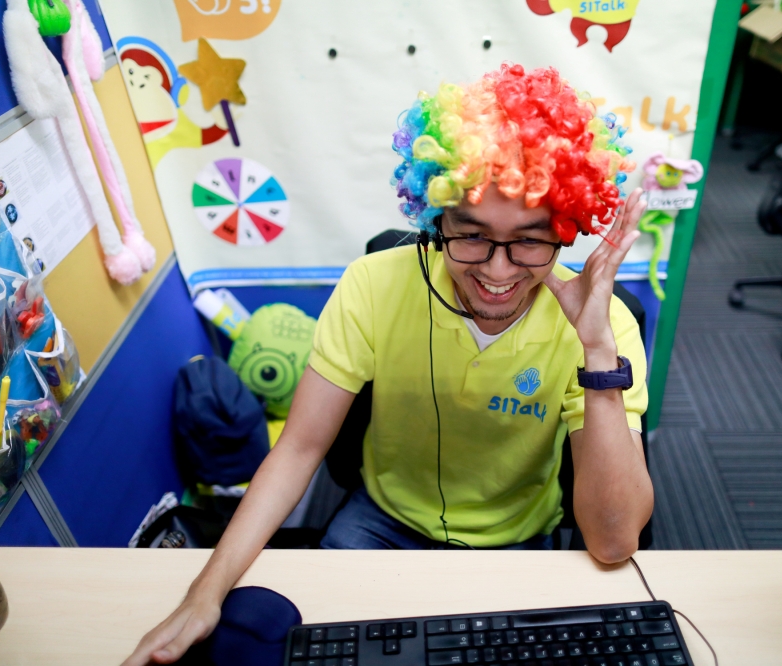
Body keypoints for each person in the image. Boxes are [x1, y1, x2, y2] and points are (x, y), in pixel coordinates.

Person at [123, 62, 653, 666]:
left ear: (564, 229)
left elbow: (613, 541)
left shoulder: (603, 328)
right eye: (471, 235)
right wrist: (204, 593)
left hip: (516, 537)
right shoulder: (373, 285)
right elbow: (299, 449)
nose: (498, 271)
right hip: (381, 521)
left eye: (530, 240)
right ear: (435, 220)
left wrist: (596, 352)